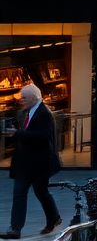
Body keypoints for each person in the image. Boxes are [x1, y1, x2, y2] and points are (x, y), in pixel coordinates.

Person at [2, 84, 61, 239]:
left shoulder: (44, 114)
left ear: (34, 97)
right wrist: (16, 134)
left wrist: (18, 134)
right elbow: (28, 133)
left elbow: (42, 137)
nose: (22, 100)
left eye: (25, 97)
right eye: (21, 97)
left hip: (38, 163)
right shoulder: (27, 112)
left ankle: (54, 218)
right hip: (24, 163)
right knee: (19, 193)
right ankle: (15, 229)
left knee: (41, 193)